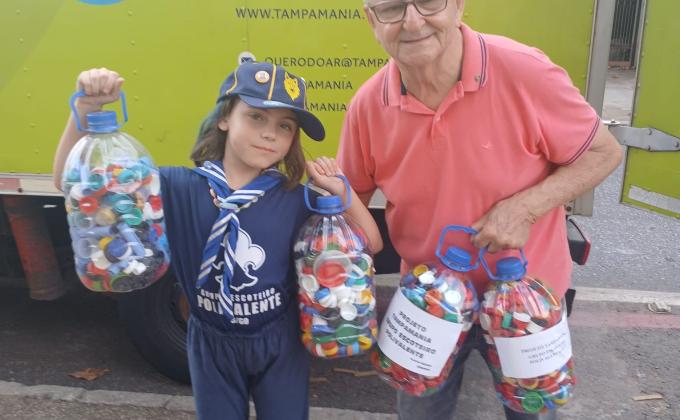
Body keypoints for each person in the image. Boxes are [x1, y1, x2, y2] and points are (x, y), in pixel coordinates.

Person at [338, 0, 623, 419]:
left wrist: (526, 208)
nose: (413, 21)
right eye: (392, 8)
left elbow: (603, 151)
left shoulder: (523, 71)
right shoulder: (368, 105)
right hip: (429, 305)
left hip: (526, 302)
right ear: (371, 20)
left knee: (532, 412)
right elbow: (350, 203)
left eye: (428, 2)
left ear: (458, 6)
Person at [53, 61, 383, 420]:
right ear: (225, 118)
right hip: (211, 341)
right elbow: (69, 182)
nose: (269, 134)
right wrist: (85, 108)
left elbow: (371, 242)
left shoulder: (296, 199)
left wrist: (341, 191)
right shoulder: (177, 188)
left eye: (284, 126)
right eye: (256, 117)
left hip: (279, 340)